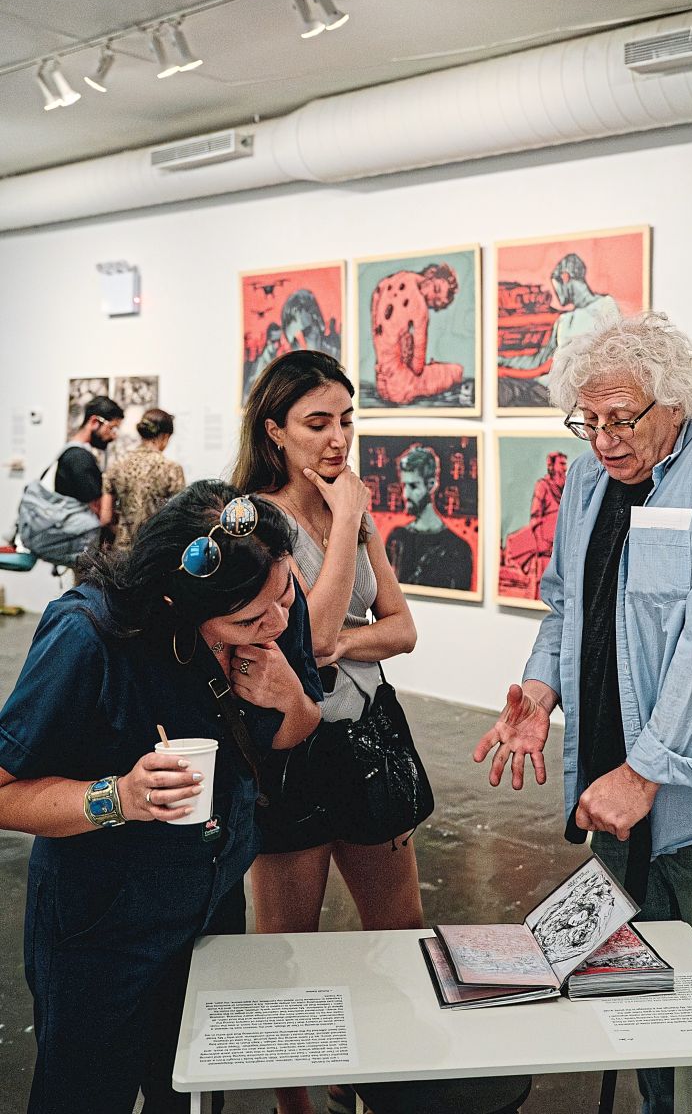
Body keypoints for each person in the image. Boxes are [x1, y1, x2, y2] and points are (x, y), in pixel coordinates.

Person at [475, 312, 692, 1114]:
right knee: (646, 1004)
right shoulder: (590, 481)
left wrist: (646, 771)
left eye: (621, 419)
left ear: (677, 401)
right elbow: (567, 606)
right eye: (587, 420)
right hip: (619, 791)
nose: (603, 440)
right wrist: (540, 690)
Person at [0, 480, 322, 1114]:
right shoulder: (90, 636)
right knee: (85, 1096)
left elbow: (291, 733)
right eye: (247, 622)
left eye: (286, 596)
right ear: (177, 604)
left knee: (194, 1096)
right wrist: (118, 797)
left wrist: (292, 700)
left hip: (212, 908)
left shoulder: (271, 595)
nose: (277, 624)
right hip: (102, 924)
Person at [232, 349, 422, 1114]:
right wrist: (344, 520)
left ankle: (371, 1075)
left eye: (346, 419)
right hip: (290, 751)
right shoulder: (253, 522)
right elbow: (305, 640)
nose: (338, 438)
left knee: (401, 929)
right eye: (317, 423)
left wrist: (344, 640)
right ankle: (295, 1105)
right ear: (274, 430)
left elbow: (402, 629)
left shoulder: (357, 507)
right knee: (287, 946)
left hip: (370, 739)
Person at [370, 263, 464, 405]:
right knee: (455, 371)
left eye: (436, 302)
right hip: (402, 387)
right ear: (431, 274)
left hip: (381, 383)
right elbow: (418, 367)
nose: (431, 297)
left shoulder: (388, 282)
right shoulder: (420, 309)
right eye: (436, 289)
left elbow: (377, 331)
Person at [386, 444, 473, 590]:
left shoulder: (457, 549)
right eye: (404, 486)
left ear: (431, 485)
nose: (405, 495)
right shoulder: (397, 539)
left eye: (413, 486)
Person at [101, 408, 186, 550]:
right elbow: (179, 518)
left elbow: (105, 518)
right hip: (154, 549)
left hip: (122, 550)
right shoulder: (172, 469)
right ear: (165, 436)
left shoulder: (116, 466)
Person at [56, 393, 124, 523]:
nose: (113, 436)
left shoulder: (73, 453)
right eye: (111, 428)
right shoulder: (79, 458)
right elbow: (100, 513)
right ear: (94, 422)